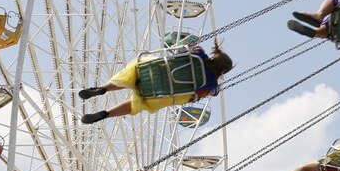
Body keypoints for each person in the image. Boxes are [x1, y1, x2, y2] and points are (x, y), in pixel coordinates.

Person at [79, 43, 233, 124]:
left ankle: (102, 88)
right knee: (136, 105)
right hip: (164, 94)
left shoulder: (199, 54)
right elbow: (210, 93)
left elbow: (182, 51)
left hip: (155, 71)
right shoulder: (212, 85)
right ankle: (106, 114)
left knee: (133, 71)